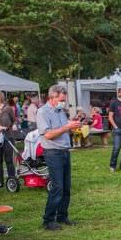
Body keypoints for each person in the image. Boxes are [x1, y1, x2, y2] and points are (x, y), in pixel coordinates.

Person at [36, 85, 82, 231]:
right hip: (53, 152)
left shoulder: (60, 110)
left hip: (64, 151)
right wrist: (67, 127)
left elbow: (63, 128)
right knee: (58, 187)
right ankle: (48, 219)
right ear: (52, 97)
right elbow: (48, 134)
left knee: (66, 187)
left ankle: (62, 216)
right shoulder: (43, 112)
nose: (63, 102)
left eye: (64, 99)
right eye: (61, 99)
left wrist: (73, 124)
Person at [0, 92, 17, 189]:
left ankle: (12, 180)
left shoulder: (8, 108)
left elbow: (14, 119)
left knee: (9, 160)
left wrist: (8, 127)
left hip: (8, 137)